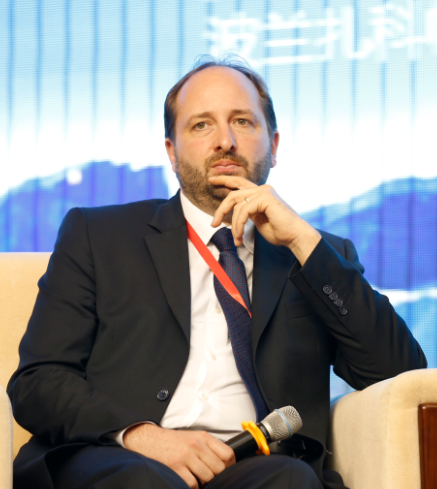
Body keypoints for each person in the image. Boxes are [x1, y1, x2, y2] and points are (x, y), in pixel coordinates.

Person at [8, 57, 426, 489]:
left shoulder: (318, 255)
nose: (225, 141)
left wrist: (303, 243)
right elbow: (39, 382)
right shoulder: (99, 235)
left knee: (290, 480)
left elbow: (399, 375)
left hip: (253, 467)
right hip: (122, 457)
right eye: (201, 125)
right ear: (172, 152)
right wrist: (142, 436)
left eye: (243, 121)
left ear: (274, 145)